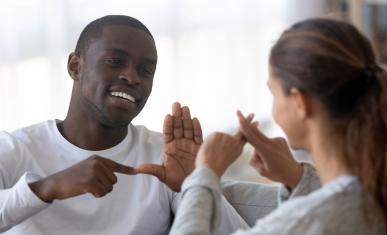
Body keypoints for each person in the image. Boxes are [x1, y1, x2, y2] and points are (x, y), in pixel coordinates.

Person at [0, 15, 251, 234]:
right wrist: (46, 187)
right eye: (115, 62)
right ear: (75, 66)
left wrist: (195, 183)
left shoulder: (165, 156)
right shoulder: (14, 150)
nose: (132, 77)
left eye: (145, 71)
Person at [170, 18, 387, 235]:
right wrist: (298, 178)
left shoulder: (304, 222)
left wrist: (204, 172)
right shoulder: (373, 190)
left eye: (273, 92)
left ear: (300, 102)